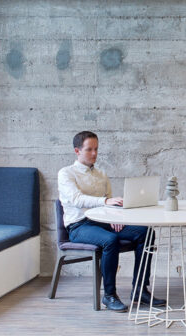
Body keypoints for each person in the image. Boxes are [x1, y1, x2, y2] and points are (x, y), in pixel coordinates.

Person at [58, 130, 166, 313]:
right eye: (89, 149)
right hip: (79, 226)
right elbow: (77, 200)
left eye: (96, 149)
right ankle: (109, 295)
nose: (94, 154)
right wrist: (105, 202)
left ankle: (140, 290)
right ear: (77, 151)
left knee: (146, 233)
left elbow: (109, 201)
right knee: (110, 240)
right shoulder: (66, 173)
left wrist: (115, 216)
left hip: (103, 222)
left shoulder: (101, 174)